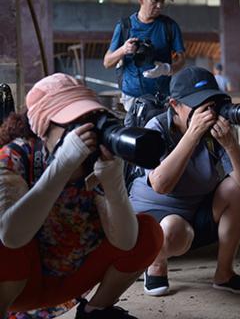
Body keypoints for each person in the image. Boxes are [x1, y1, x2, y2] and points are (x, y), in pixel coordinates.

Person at [0, 73, 163, 319]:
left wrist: (113, 182)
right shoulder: (15, 158)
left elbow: (127, 242)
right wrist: (61, 167)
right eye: (73, 124)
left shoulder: (95, 164)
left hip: (70, 279)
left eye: (90, 120)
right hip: (18, 286)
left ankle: (95, 311)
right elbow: (10, 236)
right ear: (43, 127)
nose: (86, 132)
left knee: (147, 231)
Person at [129, 67, 240, 296]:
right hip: (156, 216)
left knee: (239, 190)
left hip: (196, 211)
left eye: (211, 103)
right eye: (199, 104)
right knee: (173, 229)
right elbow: (161, 185)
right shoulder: (157, 128)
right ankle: (156, 264)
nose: (207, 111)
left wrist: (230, 144)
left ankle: (224, 274)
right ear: (174, 105)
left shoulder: (218, 131)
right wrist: (192, 136)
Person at [103, 0, 186, 112]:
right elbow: (107, 63)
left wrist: (166, 69)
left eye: (162, 1)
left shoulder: (169, 26)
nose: (160, 6)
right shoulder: (125, 27)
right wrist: (123, 49)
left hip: (162, 99)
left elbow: (182, 60)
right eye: (155, 1)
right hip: (131, 99)